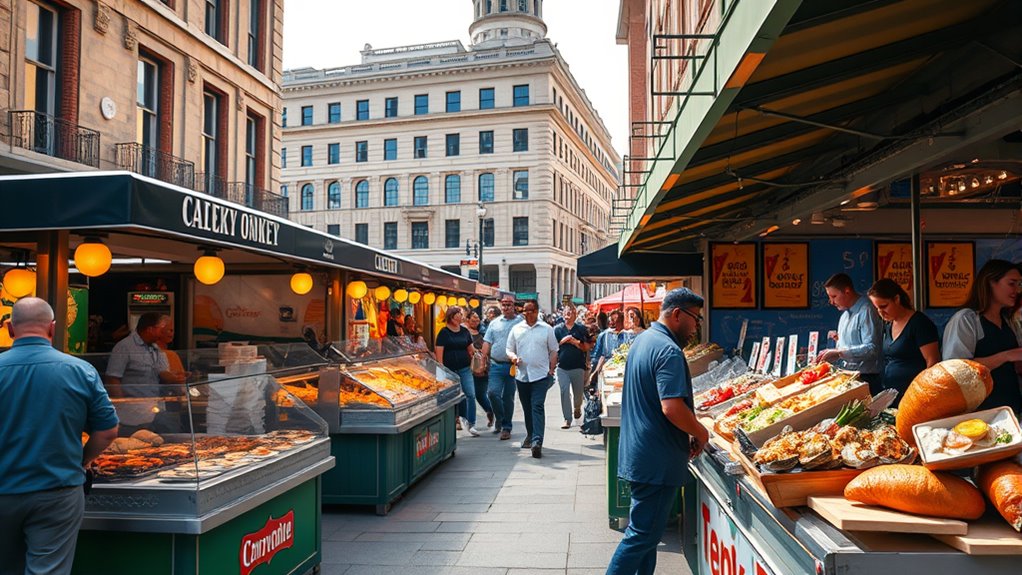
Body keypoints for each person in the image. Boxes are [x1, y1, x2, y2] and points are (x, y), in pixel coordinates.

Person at [0, 298, 119, 575]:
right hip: (57, 490)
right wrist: (82, 460)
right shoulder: (80, 371)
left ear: (10, 328)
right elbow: (108, 430)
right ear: (52, 329)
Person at [606, 288, 709, 575]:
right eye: (696, 319)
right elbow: (672, 408)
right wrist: (701, 432)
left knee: (647, 537)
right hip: (656, 458)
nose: (696, 327)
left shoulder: (644, 341)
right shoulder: (668, 350)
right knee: (642, 535)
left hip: (642, 453)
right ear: (678, 314)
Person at [943, 259, 1022, 413]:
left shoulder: (1009, 321)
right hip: (979, 412)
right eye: (1011, 283)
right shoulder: (966, 319)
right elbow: (956, 370)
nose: (1017, 290)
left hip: (1010, 407)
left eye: (1019, 284)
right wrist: (1007, 356)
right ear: (991, 282)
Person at [106, 312, 185, 435]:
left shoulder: (156, 349)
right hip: (132, 415)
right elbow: (112, 379)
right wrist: (122, 405)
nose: (163, 332)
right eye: (161, 329)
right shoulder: (124, 347)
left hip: (155, 411)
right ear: (150, 329)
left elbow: (162, 372)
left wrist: (176, 378)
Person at [867, 279, 940, 402]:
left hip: (914, 395)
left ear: (896, 299)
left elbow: (932, 361)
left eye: (884, 306)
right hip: (891, 395)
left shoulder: (920, 323)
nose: (881, 313)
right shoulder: (889, 324)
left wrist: (925, 391)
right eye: (877, 309)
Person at [506, 300, 559, 458]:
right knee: (527, 408)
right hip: (522, 375)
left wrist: (551, 369)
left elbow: (554, 350)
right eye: (524, 311)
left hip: (540, 375)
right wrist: (513, 357)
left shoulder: (547, 329)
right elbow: (509, 349)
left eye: (530, 311)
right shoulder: (516, 329)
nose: (526, 314)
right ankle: (530, 435)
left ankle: (537, 441)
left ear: (536, 311)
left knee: (537, 406)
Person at [816, 273, 883, 389]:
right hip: (847, 376)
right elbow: (845, 348)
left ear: (847, 291)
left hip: (866, 378)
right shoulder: (844, 316)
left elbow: (872, 349)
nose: (831, 302)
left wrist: (840, 352)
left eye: (834, 296)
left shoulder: (866, 310)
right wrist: (834, 350)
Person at [482, 295, 523, 440]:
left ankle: (506, 427)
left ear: (514, 306)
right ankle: (499, 417)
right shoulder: (494, 323)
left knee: (508, 397)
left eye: (509, 305)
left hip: (513, 366)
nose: (506, 307)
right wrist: (483, 359)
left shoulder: (521, 322)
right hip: (496, 364)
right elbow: (487, 342)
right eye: (503, 305)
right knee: (492, 393)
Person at [435, 306, 480, 436]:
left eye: (461, 314)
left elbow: (470, 349)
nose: (461, 316)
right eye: (459, 314)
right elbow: (439, 355)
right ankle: (455, 420)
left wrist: (477, 355)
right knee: (453, 397)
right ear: (452, 316)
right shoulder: (443, 333)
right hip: (449, 371)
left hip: (465, 368)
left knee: (470, 394)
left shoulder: (465, 331)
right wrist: (442, 371)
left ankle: (471, 423)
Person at [555, 305, 590, 428]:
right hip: (562, 367)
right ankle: (567, 419)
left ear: (575, 314)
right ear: (563, 314)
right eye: (566, 312)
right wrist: (562, 341)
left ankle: (577, 408)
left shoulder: (581, 329)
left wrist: (576, 342)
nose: (568, 314)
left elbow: (587, 347)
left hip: (578, 366)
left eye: (571, 312)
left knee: (578, 395)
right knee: (564, 391)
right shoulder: (557, 329)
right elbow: (552, 347)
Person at [466, 310, 495, 428]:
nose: (476, 322)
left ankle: (490, 410)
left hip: (481, 366)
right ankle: (465, 419)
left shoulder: (483, 331)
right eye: (473, 320)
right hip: (466, 367)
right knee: (468, 394)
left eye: (477, 320)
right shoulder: (463, 332)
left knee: (479, 394)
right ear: (467, 320)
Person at [590, 309, 634, 386]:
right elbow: (602, 356)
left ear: (622, 321)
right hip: (608, 373)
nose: (612, 323)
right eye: (610, 320)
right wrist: (596, 372)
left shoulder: (628, 335)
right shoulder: (605, 335)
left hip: (624, 374)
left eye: (615, 320)